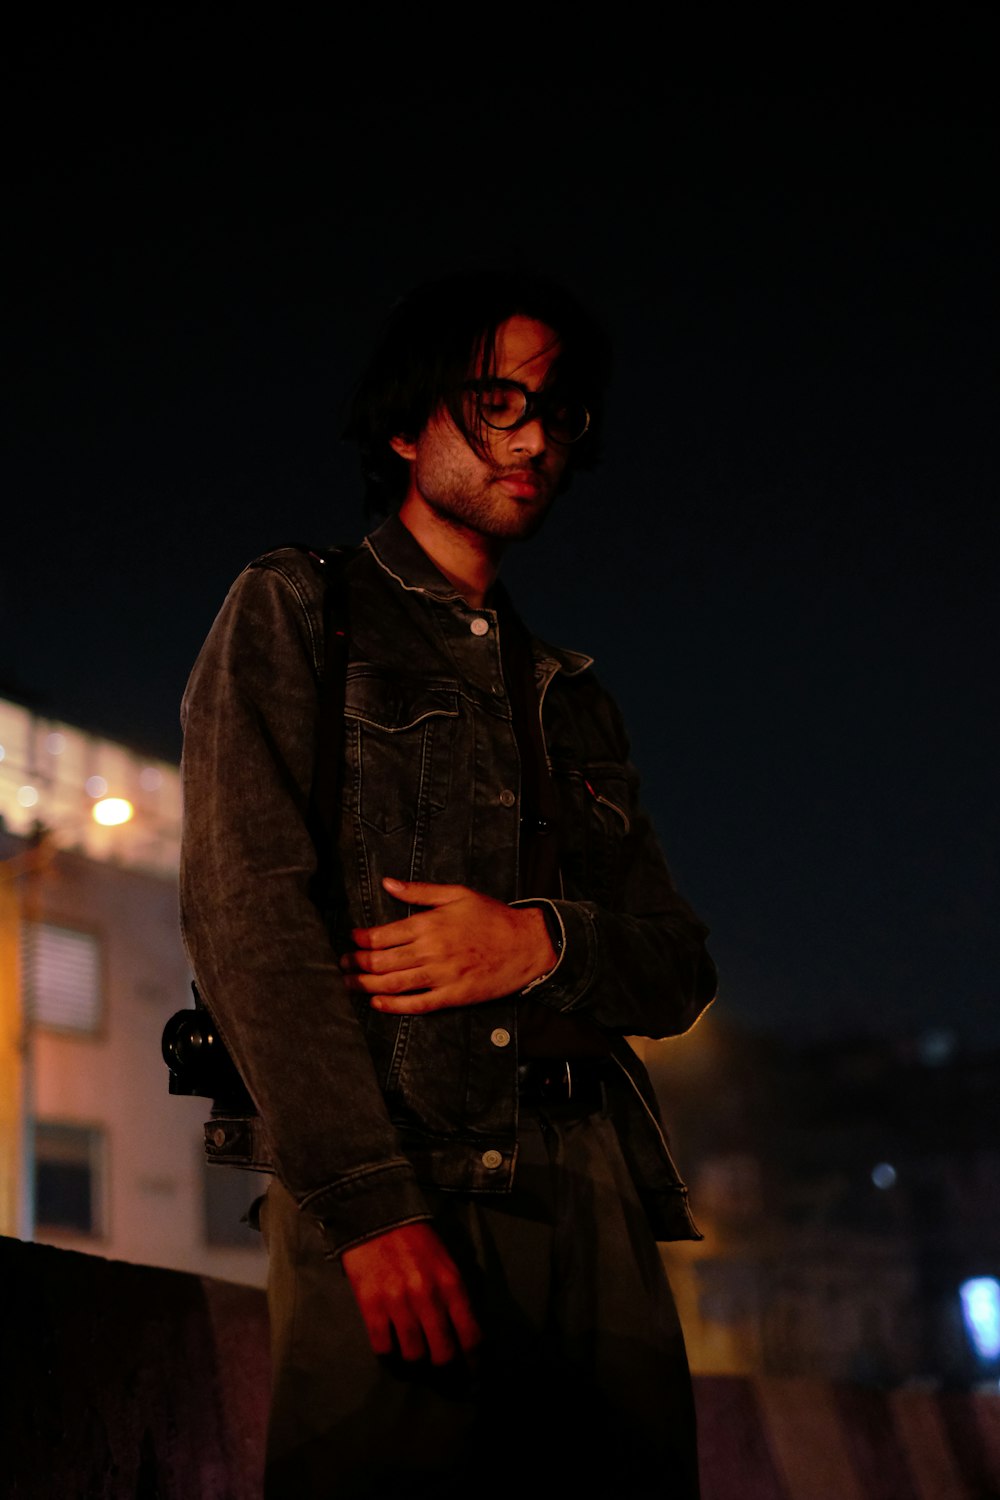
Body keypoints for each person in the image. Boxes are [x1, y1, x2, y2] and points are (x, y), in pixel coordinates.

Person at [180, 271, 717, 1498]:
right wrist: (371, 1212)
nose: (535, 436)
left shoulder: (570, 692)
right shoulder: (297, 611)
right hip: (406, 1171)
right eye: (495, 402)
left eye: (556, 413)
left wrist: (539, 941)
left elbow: (679, 963)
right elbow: (246, 919)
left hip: (595, 1191)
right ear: (406, 425)